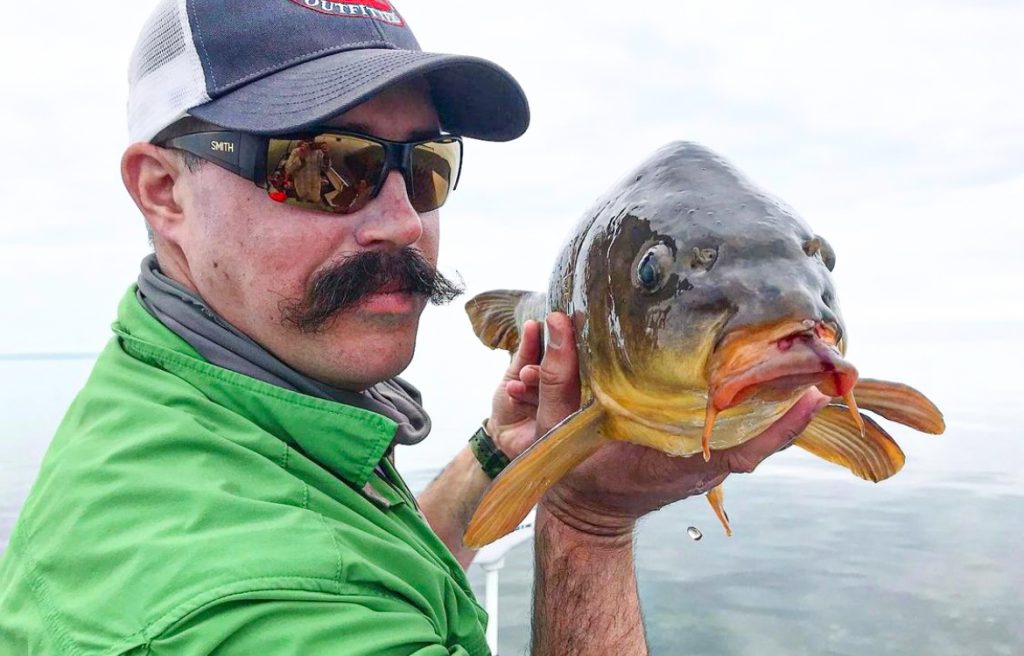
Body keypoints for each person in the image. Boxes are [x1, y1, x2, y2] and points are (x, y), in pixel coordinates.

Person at [0, 1, 826, 654]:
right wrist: (587, 523)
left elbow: (364, 559)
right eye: (325, 168)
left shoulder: (199, 400)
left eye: (425, 165)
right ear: (164, 192)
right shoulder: (240, 612)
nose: (403, 222)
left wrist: (499, 452)